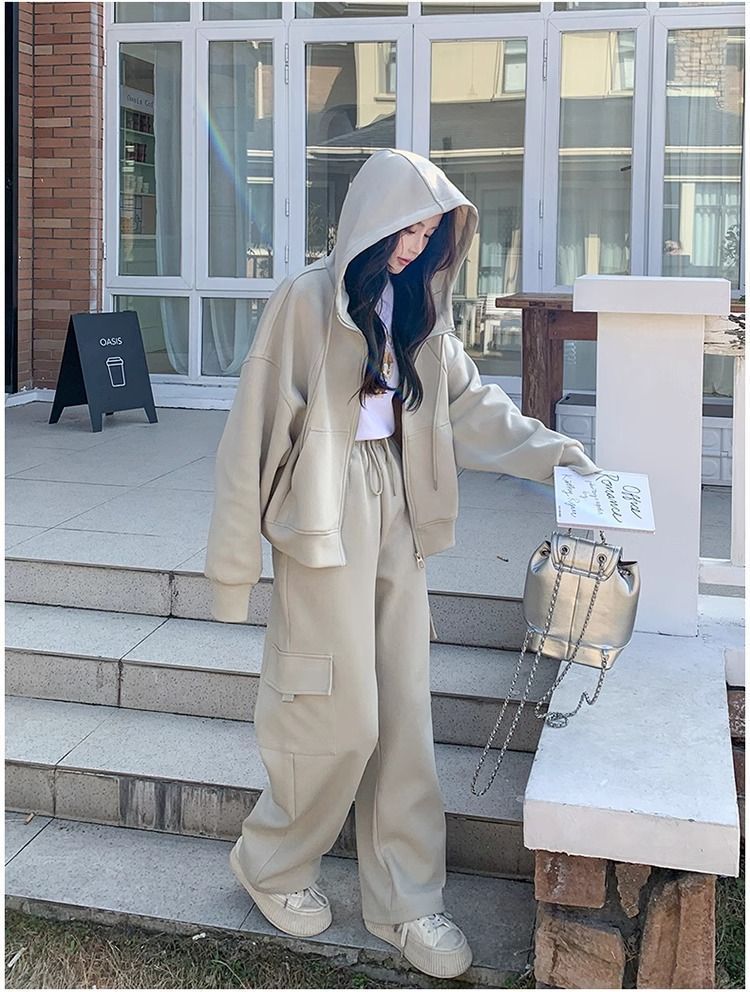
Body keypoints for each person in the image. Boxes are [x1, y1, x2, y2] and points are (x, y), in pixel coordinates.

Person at [204, 148, 599, 980]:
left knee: (404, 717)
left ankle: (407, 900)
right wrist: (233, 569)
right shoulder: (304, 301)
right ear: (368, 220)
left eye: (427, 234)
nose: (414, 247)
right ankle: (271, 863)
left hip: (399, 510)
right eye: (404, 230)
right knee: (333, 713)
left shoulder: (419, 310)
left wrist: (559, 456)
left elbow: (471, 407)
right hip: (322, 515)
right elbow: (250, 437)